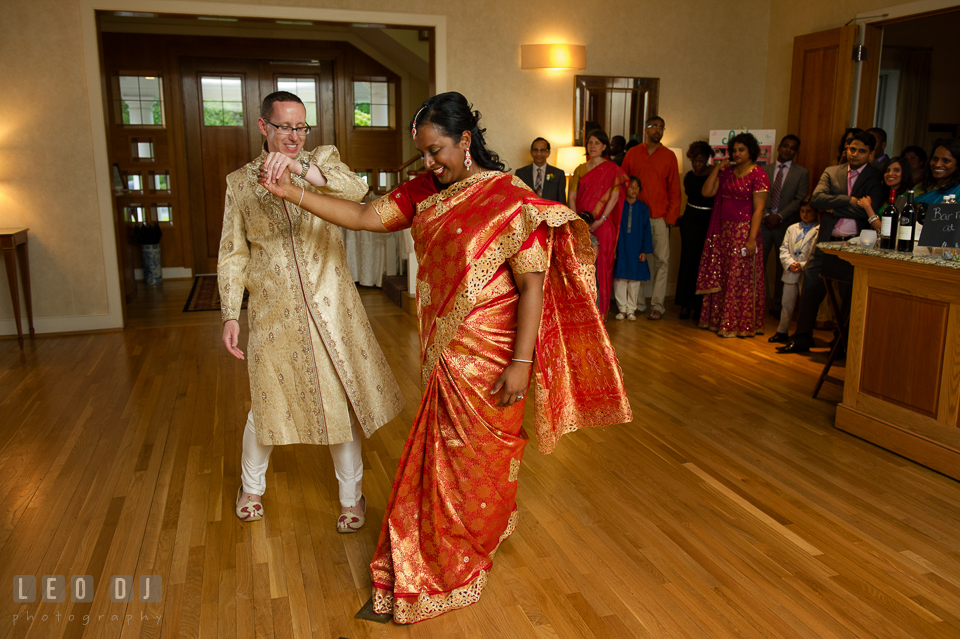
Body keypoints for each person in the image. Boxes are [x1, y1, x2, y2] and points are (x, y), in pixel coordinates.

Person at [259, 91, 632, 624]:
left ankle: (464, 553)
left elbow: (532, 288)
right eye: (423, 154)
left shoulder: (509, 198)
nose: (430, 164)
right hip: (444, 354)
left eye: (437, 151)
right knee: (443, 461)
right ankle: (434, 555)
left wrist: (522, 363)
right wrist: (290, 192)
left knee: (481, 463)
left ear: (464, 139)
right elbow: (364, 215)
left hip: (494, 359)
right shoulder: (423, 191)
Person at [218, 91, 404, 530]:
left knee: (338, 399)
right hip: (272, 311)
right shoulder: (240, 183)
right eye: (285, 127)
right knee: (266, 402)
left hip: (331, 308)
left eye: (301, 127)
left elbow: (357, 191)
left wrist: (300, 169)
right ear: (264, 127)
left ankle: (351, 498)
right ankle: (251, 487)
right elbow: (232, 253)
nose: (295, 136)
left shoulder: (322, 162)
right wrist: (230, 312)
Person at [778, 130, 885, 354]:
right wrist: (851, 201)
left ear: (871, 154)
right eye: (851, 149)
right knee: (810, 289)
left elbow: (869, 212)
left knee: (848, 296)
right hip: (826, 241)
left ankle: (840, 344)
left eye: (861, 151)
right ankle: (802, 338)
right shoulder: (832, 171)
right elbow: (817, 199)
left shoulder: (876, 176)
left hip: (855, 245)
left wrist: (834, 207)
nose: (854, 154)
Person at [695, 132, 770, 337]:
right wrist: (717, 169)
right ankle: (720, 321)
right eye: (734, 150)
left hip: (744, 231)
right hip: (723, 231)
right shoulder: (727, 173)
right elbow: (707, 192)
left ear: (751, 151)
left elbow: (758, 209)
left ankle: (739, 324)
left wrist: (752, 238)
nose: (737, 153)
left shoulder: (758, 174)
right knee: (723, 274)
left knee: (738, 277)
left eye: (741, 150)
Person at [622, 116, 681, 320]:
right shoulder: (633, 153)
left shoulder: (669, 156)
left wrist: (670, 217)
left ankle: (657, 304)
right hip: (635, 215)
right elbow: (623, 183)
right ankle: (637, 304)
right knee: (636, 257)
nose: (657, 130)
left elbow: (674, 189)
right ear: (645, 129)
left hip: (659, 217)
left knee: (662, 261)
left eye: (661, 127)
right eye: (653, 126)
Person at [569, 129, 629, 319]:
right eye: (590, 143)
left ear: (604, 146)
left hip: (603, 224)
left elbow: (614, 196)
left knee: (601, 265)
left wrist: (600, 220)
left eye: (596, 143)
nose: (592, 146)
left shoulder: (613, 169)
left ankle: (600, 311)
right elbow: (572, 196)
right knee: (580, 264)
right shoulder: (579, 169)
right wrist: (576, 221)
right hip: (581, 223)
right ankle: (583, 310)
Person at [760, 135, 810, 316]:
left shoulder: (802, 173)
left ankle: (777, 306)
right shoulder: (764, 169)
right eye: (786, 146)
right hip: (764, 224)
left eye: (793, 148)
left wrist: (779, 216)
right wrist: (766, 214)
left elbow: (800, 199)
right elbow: (757, 195)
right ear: (780, 147)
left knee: (783, 266)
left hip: (786, 225)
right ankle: (755, 302)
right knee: (757, 264)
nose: (788, 150)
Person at [768, 197, 820, 344]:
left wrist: (802, 265)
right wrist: (790, 263)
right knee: (787, 303)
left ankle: (802, 334)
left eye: (809, 211)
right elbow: (783, 248)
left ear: (816, 212)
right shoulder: (792, 228)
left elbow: (816, 253)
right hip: (791, 272)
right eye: (802, 211)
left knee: (805, 306)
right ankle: (782, 331)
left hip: (806, 272)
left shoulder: (819, 230)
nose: (805, 214)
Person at [675, 141, 716, 320]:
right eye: (694, 161)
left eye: (700, 161)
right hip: (690, 221)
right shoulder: (689, 176)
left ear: (707, 159)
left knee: (703, 264)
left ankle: (699, 306)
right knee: (687, 263)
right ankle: (684, 304)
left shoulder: (715, 175)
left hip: (708, 221)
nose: (697, 165)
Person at [612, 176, 652, 320]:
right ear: (624, 188)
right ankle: (622, 309)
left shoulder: (642, 208)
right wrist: (614, 248)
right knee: (620, 279)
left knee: (634, 280)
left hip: (636, 247)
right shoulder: (618, 205)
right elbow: (613, 228)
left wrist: (644, 250)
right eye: (631, 186)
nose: (634, 190)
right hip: (621, 246)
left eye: (636, 187)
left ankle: (631, 310)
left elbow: (647, 230)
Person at [858, 155, 914, 237]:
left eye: (896, 170)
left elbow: (886, 232)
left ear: (905, 173)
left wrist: (867, 207)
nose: (890, 174)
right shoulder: (885, 194)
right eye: (887, 170)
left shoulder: (905, 199)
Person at [514, 137, 567, 204]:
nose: (538, 153)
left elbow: (561, 202)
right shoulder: (520, 173)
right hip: (528, 213)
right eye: (535, 150)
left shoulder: (558, 174)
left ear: (548, 153)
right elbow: (517, 200)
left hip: (551, 213)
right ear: (531, 152)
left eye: (542, 150)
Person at [912, 138, 960, 205]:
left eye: (946, 161)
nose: (937, 165)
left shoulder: (958, 190)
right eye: (935, 159)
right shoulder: (920, 187)